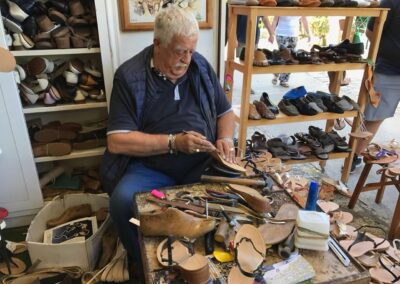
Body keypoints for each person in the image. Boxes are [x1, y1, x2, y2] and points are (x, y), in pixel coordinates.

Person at [100, 6, 235, 270]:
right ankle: (145, 265)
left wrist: (225, 138)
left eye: (191, 51)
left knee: (233, 190)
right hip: (151, 168)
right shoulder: (130, 76)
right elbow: (117, 141)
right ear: (157, 44)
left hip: (200, 164)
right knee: (121, 201)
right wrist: (174, 142)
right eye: (179, 51)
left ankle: (207, 260)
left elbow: (226, 113)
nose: (186, 60)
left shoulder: (201, 68)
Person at [351, 0, 400, 172]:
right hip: (389, 69)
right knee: (373, 116)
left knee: (374, 116)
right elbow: (372, 31)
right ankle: (354, 156)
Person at [269, 16, 311, 88]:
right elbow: (275, 19)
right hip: (281, 34)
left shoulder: (300, 7)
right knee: (284, 56)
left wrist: (308, 33)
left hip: (294, 35)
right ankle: (276, 72)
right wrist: (271, 34)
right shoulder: (283, 5)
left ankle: (283, 80)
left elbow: (304, 19)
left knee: (291, 58)